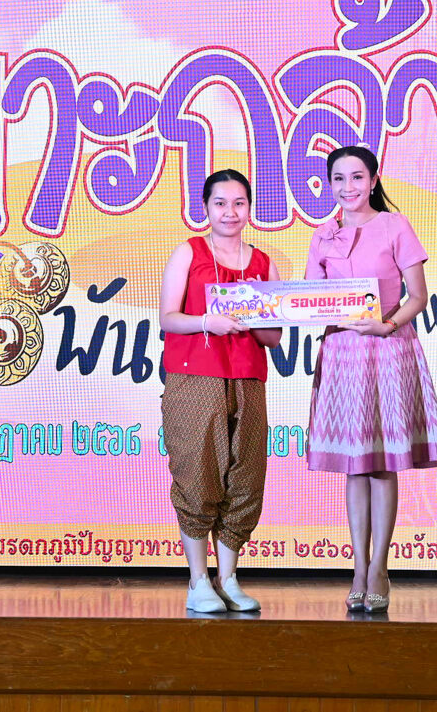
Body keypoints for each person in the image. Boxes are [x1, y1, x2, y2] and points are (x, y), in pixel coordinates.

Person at [305, 145, 437, 613]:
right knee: (355, 464)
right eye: (338, 178)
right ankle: (357, 568)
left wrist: (386, 325)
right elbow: (309, 298)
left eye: (356, 177)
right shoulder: (322, 234)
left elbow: (418, 296)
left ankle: (379, 569)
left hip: (387, 348)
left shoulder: (394, 225)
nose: (347, 187)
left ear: (372, 180)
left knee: (381, 463)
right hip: (343, 353)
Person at [159, 169, 282, 613]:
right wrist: (206, 321)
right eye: (220, 203)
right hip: (195, 377)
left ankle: (228, 579)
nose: (230, 212)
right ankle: (198, 581)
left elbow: (272, 338)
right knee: (198, 472)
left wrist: (258, 311)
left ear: (249, 208)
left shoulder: (263, 263)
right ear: (205, 208)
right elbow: (167, 318)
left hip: (248, 379)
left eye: (239, 203)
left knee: (245, 475)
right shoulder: (189, 252)